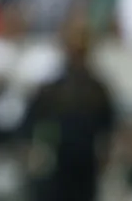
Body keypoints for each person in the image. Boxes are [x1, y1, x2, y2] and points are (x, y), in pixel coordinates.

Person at [22, 21, 116, 201]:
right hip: (56, 162)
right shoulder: (52, 89)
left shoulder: (97, 90)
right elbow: (30, 121)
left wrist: (107, 153)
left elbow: (108, 126)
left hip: (86, 162)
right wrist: (31, 149)